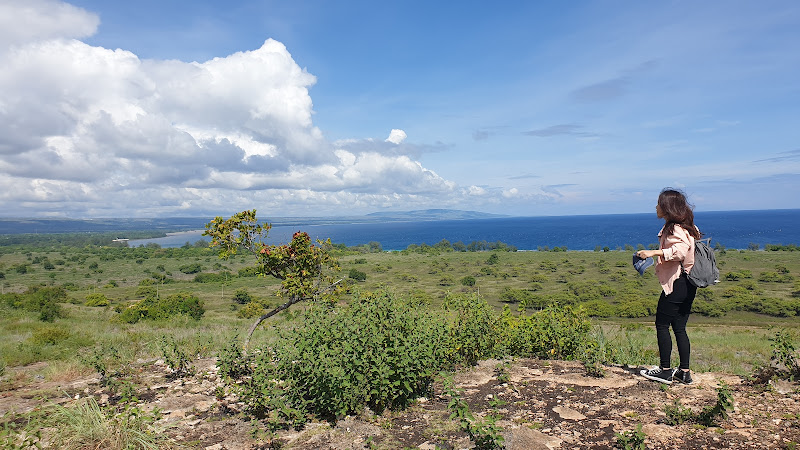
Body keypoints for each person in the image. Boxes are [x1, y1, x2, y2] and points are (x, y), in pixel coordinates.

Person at [636, 188, 701, 385]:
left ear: (667, 207)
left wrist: (654, 253)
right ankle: (684, 372)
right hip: (689, 283)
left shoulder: (675, 229)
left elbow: (679, 252)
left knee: (662, 325)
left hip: (677, 283)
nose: (656, 207)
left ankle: (665, 370)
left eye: (659, 204)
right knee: (679, 327)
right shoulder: (689, 227)